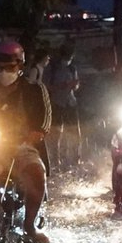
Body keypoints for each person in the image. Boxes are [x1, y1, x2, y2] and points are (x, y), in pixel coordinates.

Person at [0, 40, 54, 243]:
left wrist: (35, 134)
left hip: (22, 146)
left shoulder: (34, 89)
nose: (4, 71)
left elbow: (45, 119)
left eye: (9, 67)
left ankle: (29, 225)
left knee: (36, 175)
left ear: (20, 66)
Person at [43, 45, 82, 174]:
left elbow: (76, 86)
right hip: (57, 102)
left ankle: (75, 159)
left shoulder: (72, 68)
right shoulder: (52, 68)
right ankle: (56, 161)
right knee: (56, 133)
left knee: (74, 132)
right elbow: (46, 86)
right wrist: (63, 85)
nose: (69, 58)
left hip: (70, 102)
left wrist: (74, 85)